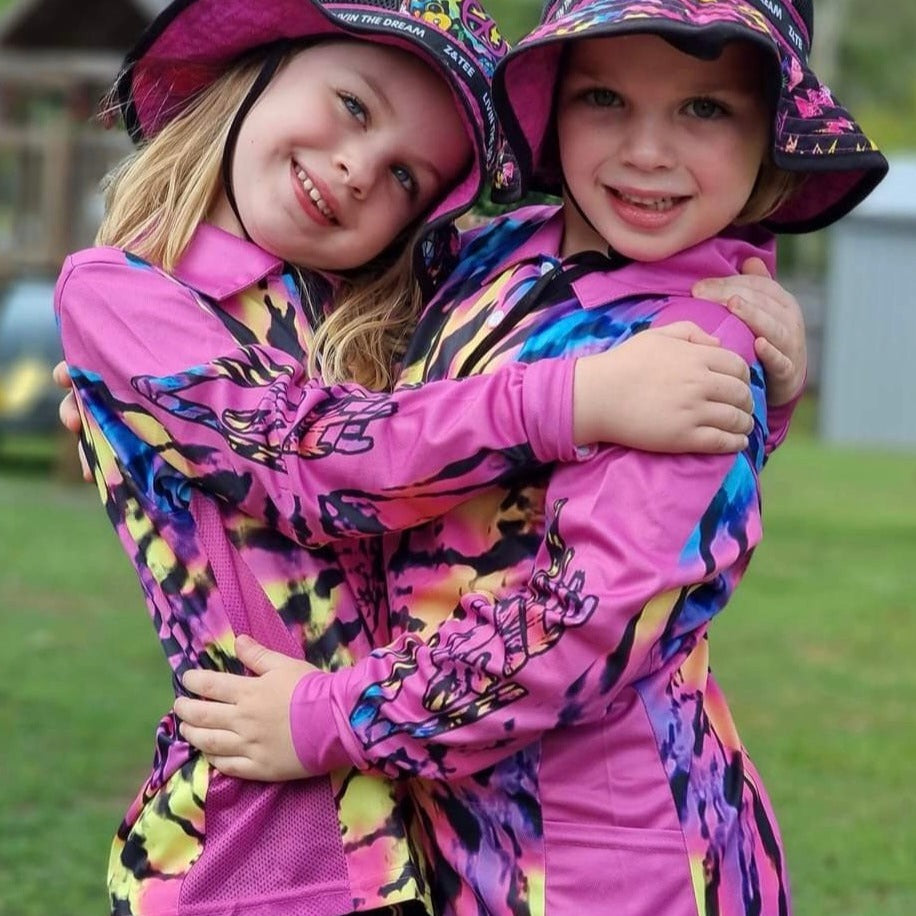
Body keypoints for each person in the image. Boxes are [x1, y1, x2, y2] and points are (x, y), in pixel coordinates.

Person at [52, 1, 785, 914]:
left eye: (406, 175)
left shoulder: (680, 326)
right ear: (262, 70)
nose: (358, 169)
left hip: (596, 860)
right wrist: (580, 398)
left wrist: (762, 381)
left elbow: (594, 610)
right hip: (286, 821)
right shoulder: (461, 279)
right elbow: (314, 456)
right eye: (353, 105)